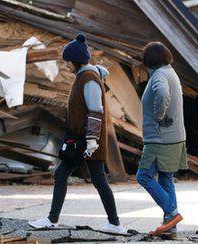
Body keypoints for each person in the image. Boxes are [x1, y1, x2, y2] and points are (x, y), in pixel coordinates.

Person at [29, 34, 128, 236]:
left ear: (74, 60)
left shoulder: (89, 79)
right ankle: (52, 219)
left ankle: (115, 224)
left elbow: (95, 110)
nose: (66, 65)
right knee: (62, 174)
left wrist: (91, 140)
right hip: (79, 139)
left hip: (88, 141)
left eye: (67, 62)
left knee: (98, 180)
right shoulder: (83, 76)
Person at [137, 42, 187, 237]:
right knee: (166, 177)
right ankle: (170, 227)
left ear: (149, 60)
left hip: (160, 138)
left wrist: (158, 116)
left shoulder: (159, 75)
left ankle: (172, 213)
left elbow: (162, 93)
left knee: (143, 176)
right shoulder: (170, 72)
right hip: (175, 136)